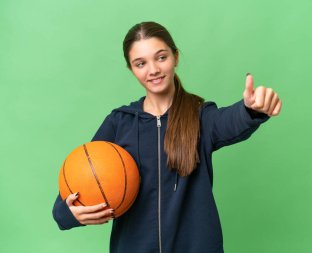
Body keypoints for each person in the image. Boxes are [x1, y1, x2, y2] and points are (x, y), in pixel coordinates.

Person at [52, 21, 282, 253]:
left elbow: (230, 121)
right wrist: (66, 212)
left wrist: (252, 108)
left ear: (175, 57)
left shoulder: (200, 115)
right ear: (131, 69)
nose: (153, 70)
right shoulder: (119, 122)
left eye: (161, 57)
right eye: (140, 63)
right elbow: (81, 176)